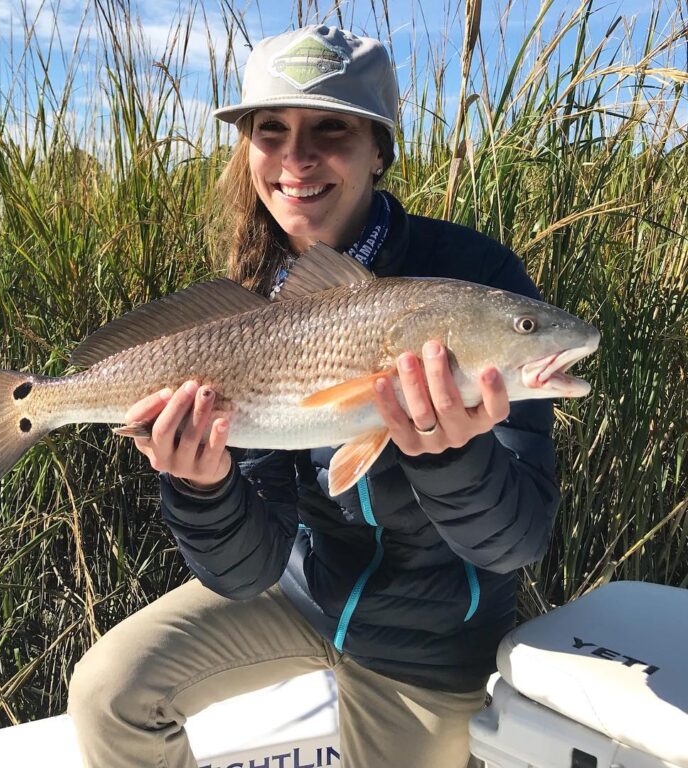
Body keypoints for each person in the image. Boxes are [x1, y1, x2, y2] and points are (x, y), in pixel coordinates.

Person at [68, 25, 559, 768]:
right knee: (109, 691)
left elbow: (517, 540)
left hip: (429, 640)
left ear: (379, 150)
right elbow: (248, 570)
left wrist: (454, 458)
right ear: (249, 150)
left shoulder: (473, 279)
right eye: (272, 131)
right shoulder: (251, 302)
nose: (297, 158)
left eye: (331, 129)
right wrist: (202, 486)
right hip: (300, 593)